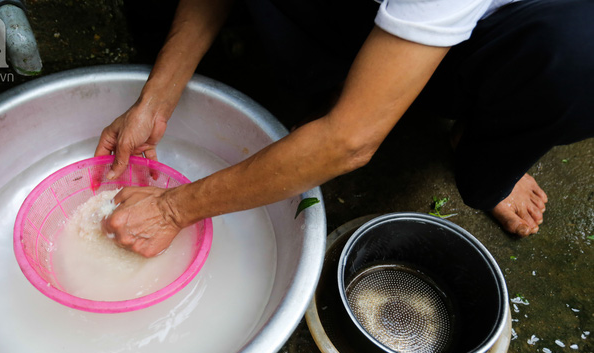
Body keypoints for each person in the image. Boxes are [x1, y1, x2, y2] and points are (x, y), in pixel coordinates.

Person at [95, 0, 594, 257]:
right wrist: (156, 99)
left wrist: (172, 209)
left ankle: (485, 144)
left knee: (574, 62)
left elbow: (350, 141)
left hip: (507, 31)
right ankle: (356, 73)